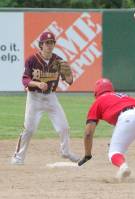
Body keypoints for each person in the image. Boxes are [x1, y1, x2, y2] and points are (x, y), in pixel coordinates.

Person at [11, 31, 80, 165]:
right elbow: (25, 80)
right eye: (46, 43)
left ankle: (65, 152)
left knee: (64, 127)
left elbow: (69, 81)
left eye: (51, 43)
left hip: (51, 98)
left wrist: (69, 74)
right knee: (29, 129)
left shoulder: (58, 61)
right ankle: (18, 157)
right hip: (34, 98)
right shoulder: (32, 60)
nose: (49, 45)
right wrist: (37, 83)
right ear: (41, 45)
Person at [77, 78, 135, 182]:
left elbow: (88, 133)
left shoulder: (98, 102)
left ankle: (123, 166)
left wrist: (87, 154)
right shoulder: (123, 95)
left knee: (114, 152)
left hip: (127, 116)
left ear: (96, 92)